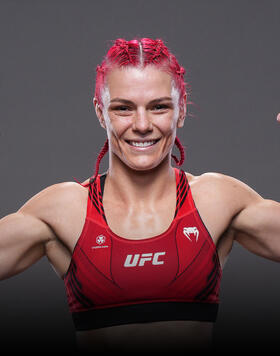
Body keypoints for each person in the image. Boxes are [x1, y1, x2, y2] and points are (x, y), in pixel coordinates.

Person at [0, 37, 279, 353]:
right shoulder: (63, 210)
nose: (142, 125)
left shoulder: (218, 201)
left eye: (159, 107)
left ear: (182, 110)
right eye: (123, 109)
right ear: (101, 113)